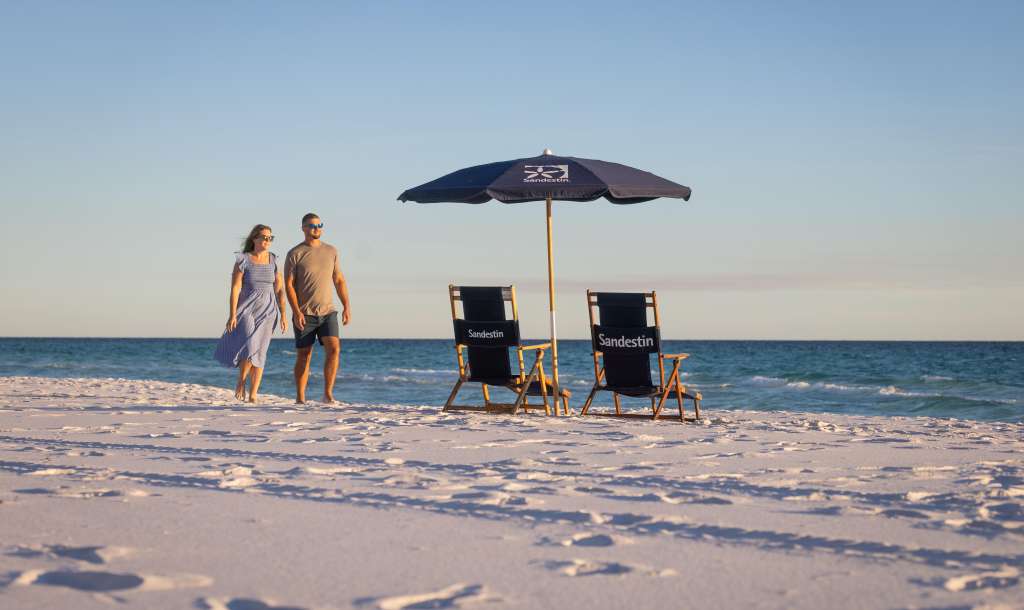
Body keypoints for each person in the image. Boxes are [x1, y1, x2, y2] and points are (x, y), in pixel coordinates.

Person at [214, 224, 287, 403]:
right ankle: (241, 380)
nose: (267, 240)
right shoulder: (243, 260)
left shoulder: (273, 260)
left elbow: (279, 289)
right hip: (246, 308)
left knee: (260, 351)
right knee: (249, 345)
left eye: (270, 237)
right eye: (263, 237)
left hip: (268, 310)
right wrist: (232, 314)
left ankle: (253, 394)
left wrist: (283, 314)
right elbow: (235, 288)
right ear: (254, 238)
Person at [284, 213, 351, 404]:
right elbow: (289, 285)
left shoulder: (331, 251)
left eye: (320, 225)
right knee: (304, 354)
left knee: (334, 349)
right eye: (312, 225)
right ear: (303, 228)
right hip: (304, 313)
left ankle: (328, 394)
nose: (317, 228)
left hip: (328, 311)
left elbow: (338, 279)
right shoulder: (295, 253)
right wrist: (296, 312)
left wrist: (347, 306)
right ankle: (300, 397)